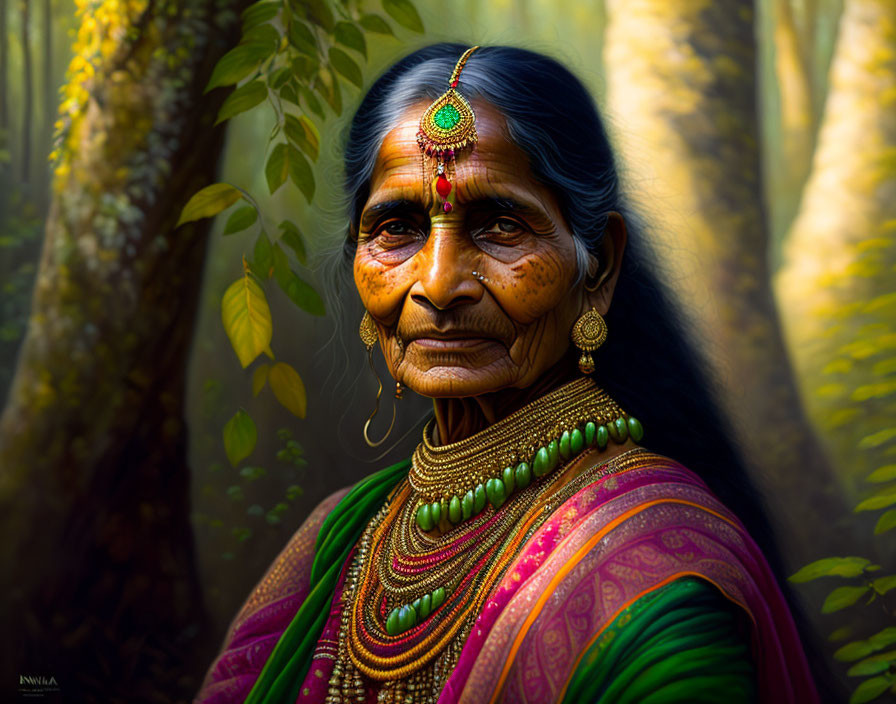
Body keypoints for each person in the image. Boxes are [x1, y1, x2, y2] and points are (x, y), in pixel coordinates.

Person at [196, 44, 822, 704]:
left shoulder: (654, 582)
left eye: (499, 225)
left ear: (599, 268)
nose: (438, 284)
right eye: (398, 227)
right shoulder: (340, 536)